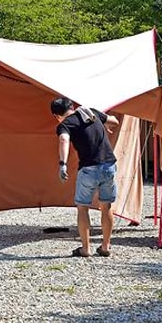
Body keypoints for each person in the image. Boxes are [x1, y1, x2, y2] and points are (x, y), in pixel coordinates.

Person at [51, 96, 119, 258]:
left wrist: (63, 163)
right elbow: (114, 121)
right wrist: (102, 124)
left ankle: (86, 248)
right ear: (72, 107)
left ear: (56, 116)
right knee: (106, 206)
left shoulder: (65, 125)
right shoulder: (91, 113)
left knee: (83, 208)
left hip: (89, 168)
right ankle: (105, 246)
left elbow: (63, 139)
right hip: (109, 165)